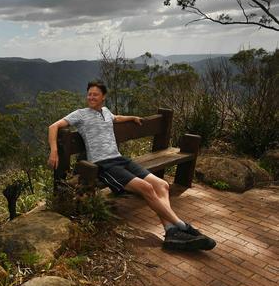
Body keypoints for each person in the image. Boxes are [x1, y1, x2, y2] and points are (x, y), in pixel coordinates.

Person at [47, 80, 216, 251]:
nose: (91, 97)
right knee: (147, 188)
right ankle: (184, 227)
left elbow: (116, 118)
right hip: (103, 164)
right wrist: (54, 151)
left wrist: (132, 118)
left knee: (162, 185)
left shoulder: (105, 111)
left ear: (103, 97)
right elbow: (53, 127)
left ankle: (170, 231)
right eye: (89, 94)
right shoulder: (80, 114)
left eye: (95, 94)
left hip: (120, 159)